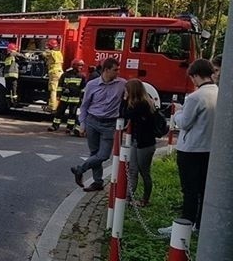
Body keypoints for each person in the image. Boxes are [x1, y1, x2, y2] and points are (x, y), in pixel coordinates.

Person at [159, 59, 218, 234]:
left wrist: (178, 112)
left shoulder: (195, 97)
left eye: (192, 77)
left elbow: (184, 123)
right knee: (202, 188)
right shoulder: (219, 92)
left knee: (189, 190)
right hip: (208, 148)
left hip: (191, 149)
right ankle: (199, 224)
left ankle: (185, 224)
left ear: (196, 76)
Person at [70, 58, 126, 192]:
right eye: (115, 70)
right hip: (92, 121)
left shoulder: (122, 84)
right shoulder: (92, 85)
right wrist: (82, 124)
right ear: (106, 70)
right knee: (94, 153)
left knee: (104, 155)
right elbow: (84, 106)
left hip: (110, 123)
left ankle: (80, 169)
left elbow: (134, 92)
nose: (118, 72)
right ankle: (98, 182)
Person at [121, 79, 157, 207]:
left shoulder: (141, 105)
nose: (124, 92)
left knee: (143, 171)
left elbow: (126, 114)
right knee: (133, 170)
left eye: (126, 90)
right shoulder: (142, 103)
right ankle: (128, 197)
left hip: (144, 143)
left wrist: (125, 100)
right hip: (138, 142)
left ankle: (144, 199)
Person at [48, 59, 86, 133]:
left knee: (72, 114)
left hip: (75, 99)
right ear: (74, 65)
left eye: (82, 65)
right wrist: (59, 95)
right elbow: (60, 85)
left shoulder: (82, 76)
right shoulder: (65, 74)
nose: (81, 67)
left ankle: (69, 128)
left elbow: (83, 88)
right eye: (79, 65)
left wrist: (81, 98)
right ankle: (55, 126)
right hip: (64, 98)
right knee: (59, 112)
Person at [44, 38, 64, 112]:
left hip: (54, 73)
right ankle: (56, 105)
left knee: (53, 90)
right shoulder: (59, 53)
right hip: (60, 72)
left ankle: (52, 106)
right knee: (57, 90)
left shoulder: (51, 52)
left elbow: (43, 54)